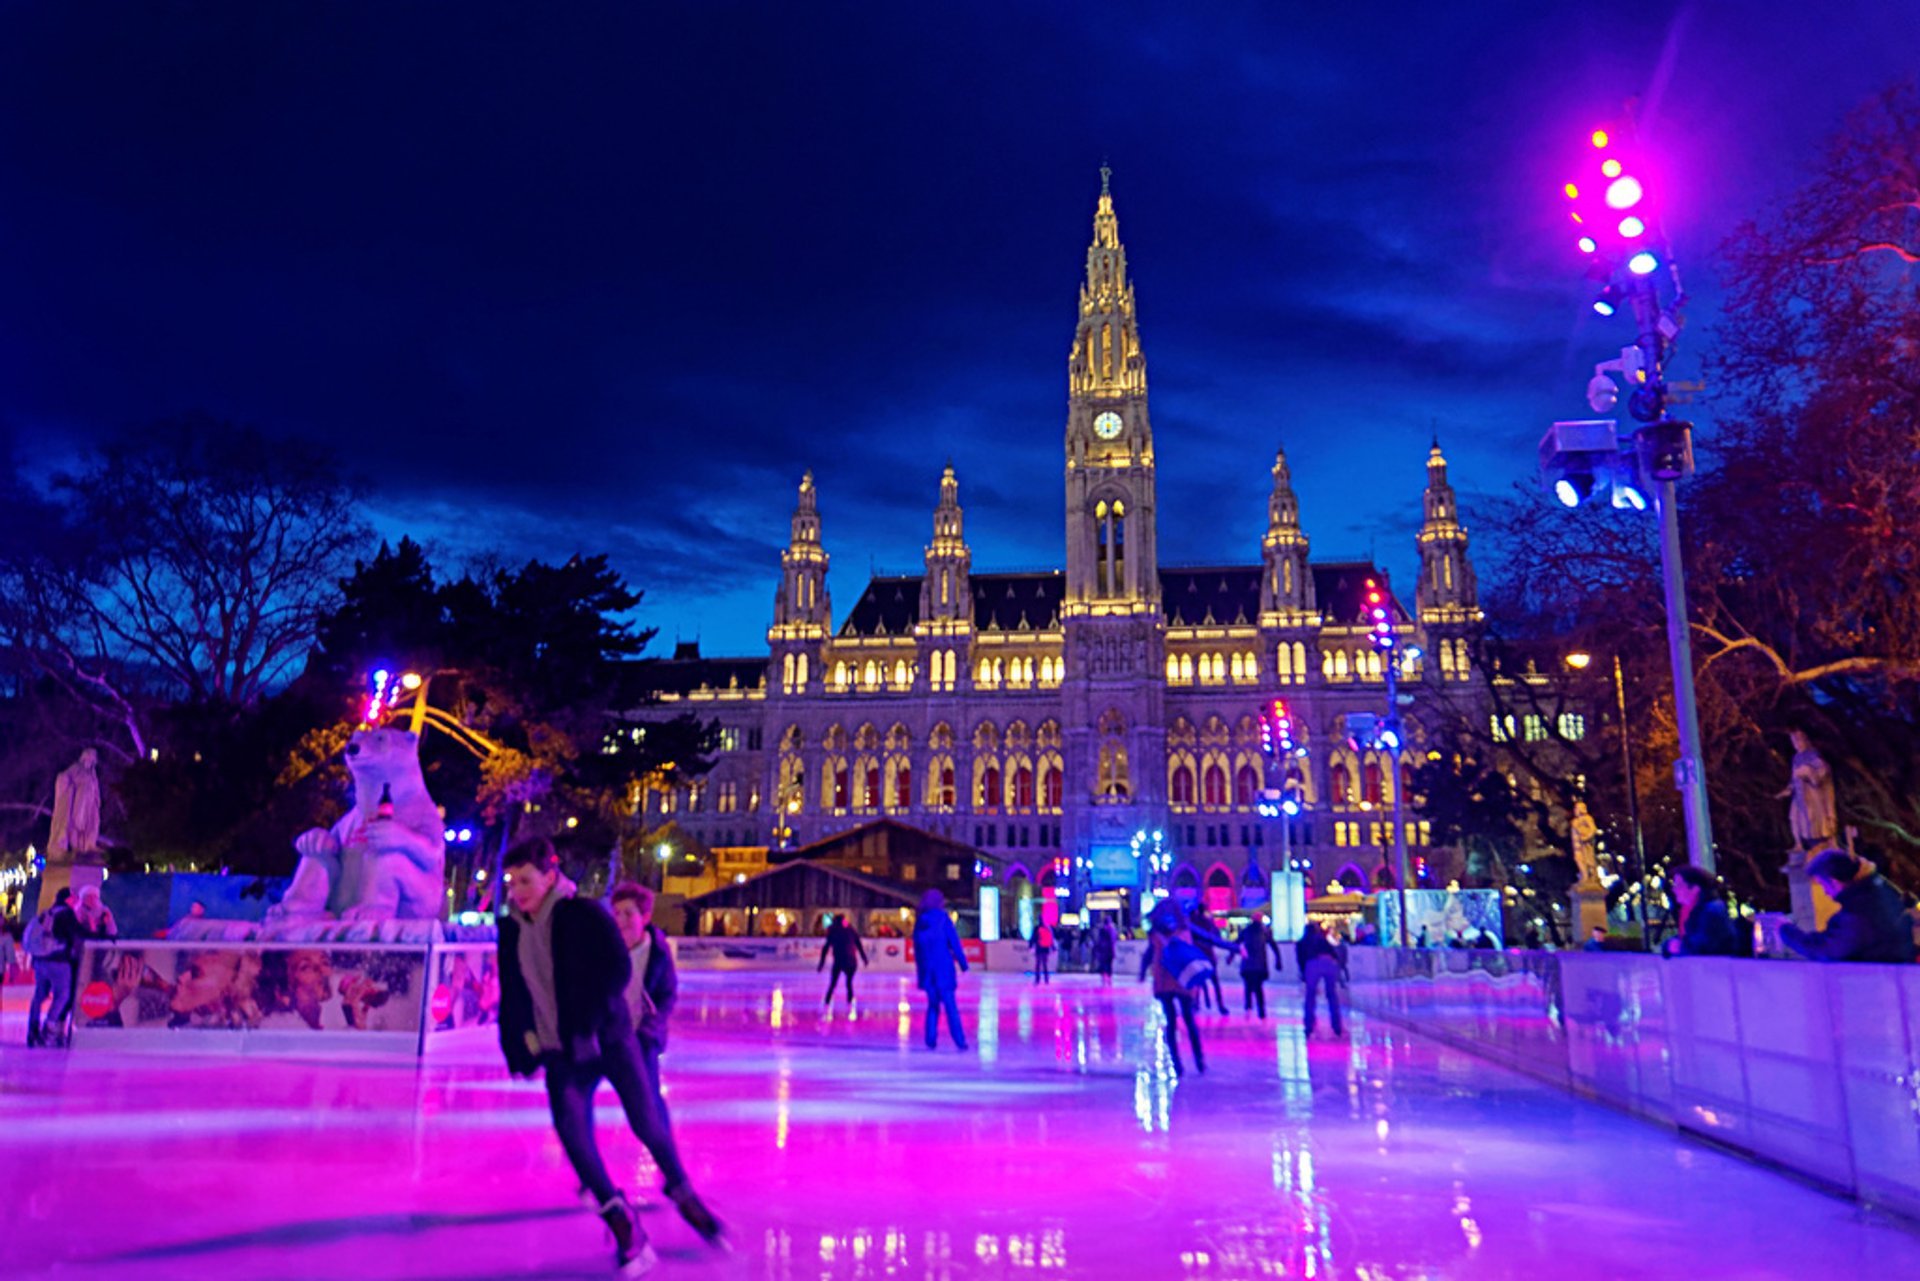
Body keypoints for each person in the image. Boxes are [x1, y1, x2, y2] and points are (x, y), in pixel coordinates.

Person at [496, 838, 724, 1275]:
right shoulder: (512, 930)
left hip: (610, 1040)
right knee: (572, 1135)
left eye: (525, 880)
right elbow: (514, 995)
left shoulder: (581, 914)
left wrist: (588, 1021)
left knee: (647, 1121)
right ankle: (620, 1218)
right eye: (512, 881)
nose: (517, 890)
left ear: (549, 876)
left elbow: (617, 968)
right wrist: (520, 1043)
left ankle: (682, 1191)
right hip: (560, 1048)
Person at [611, 883, 678, 1137]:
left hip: (642, 1038)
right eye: (617, 913)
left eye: (628, 913)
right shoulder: (608, 949)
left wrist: (649, 1030)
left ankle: (666, 1151)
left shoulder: (658, 952)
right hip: (609, 1036)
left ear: (645, 917)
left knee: (648, 1099)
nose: (621, 920)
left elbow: (667, 996)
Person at [1139, 900, 1231, 1075]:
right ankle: (1199, 1060)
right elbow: (1211, 938)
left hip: (1164, 982)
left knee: (1171, 1022)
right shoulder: (1186, 929)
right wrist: (1235, 948)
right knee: (1189, 1021)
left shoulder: (1156, 933)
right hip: (1184, 979)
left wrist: (1143, 972)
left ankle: (1177, 1064)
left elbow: (1149, 953)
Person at [1781, 848, 1916, 964]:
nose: (1825, 892)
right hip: (1897, 980)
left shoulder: (1858, 912)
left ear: (1834, 882)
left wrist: (1786, 931)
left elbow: (1827, 950)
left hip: (1876, 985)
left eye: (1823, 885)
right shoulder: (1880, 889)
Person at [912, 889, 969, 1050]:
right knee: (950, 1006)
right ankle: (959, 1040)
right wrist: (963, 963)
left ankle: (930, 1039)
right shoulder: (943, 919)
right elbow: (954, 942)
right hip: (943, 970)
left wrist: (921, 970)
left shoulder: (921, 921)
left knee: (933, 1006)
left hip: (928, 972)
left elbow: (918, 949)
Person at [25, 888, 79, 1048]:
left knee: (39, 995)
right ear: (69, 899)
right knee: (63, 995)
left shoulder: (46, 913)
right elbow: (75, 934)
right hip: (59, 961)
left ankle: (32, 1029)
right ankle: (49, 1029)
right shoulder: (67, 914)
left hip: (40, 961)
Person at [1662, 866, 1740, 957]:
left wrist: (1677, 946)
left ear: (1695, 889)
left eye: (1679, 885)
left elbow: (1704, 946)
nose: (1674, 890)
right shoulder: (1691, 911)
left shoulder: (1712, 911)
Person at [1296, 921, 1344, 1038]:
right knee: (1332, 994)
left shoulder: (1302, 942)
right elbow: (1333, 954)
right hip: (1328, 963)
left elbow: (1301, 960)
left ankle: (1309, 1026)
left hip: (1312, 963)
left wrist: (1303, 975)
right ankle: (1336, 1026)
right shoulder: (1322, 939)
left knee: (1310, 995)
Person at [1236, 914, 1282, 1019]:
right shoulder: (1264, 931)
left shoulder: (1247, 930)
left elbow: (1237, 943)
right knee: (1258, 988)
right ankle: (1260, 1010)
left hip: (1247, 965)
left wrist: (1231, 955)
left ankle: (1248, 1008)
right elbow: (1273, 946)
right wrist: (1278, 960)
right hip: (1259, 965)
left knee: (1248, 987)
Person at [817, 914, 867, 1007]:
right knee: (848, 982)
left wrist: (821, 964)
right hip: (850, 961)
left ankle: (828, 1000)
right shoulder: (850, 930)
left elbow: (826, 948)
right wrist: (864, 958)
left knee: (833, 982)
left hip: (840, 960)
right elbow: (859, 945)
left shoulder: (833, 931)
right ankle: (849, 999)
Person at [1187, 905, 1227, 1014]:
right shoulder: (1208, 922)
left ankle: (1195, 1004)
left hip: (1198, 956)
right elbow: (1216, 936)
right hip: (1208, 956)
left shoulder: (1193, 922)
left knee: (1197, 982)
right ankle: (1220, 1006)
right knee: (1215, 982)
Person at [1091, 917, 1118, 986]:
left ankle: (1104, 978)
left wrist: (1098, 949)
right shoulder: (1112, 930)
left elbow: (1099, 941)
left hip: (1103, 951)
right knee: (1108, 965)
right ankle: (1108, 979)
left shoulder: (1102, 930)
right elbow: (1112, 941)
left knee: (1103, 965)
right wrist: (1113, 952)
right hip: (1108, 951)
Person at [1030, 918, 1054, 985]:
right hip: (1045, 949)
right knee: (1045, 964)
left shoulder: (1037, 928)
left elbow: (1033, 938)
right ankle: (1046, 979)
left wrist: (1030, 945)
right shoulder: (1047, 928)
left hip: (1039, 948)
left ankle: (1037, 979)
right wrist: (1053, 948)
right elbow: (1051, 939)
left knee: (1038, 964)